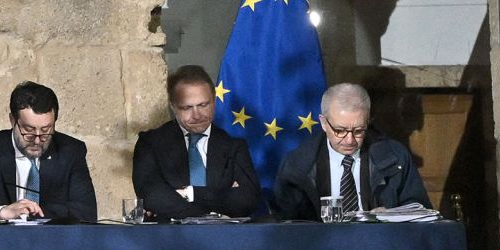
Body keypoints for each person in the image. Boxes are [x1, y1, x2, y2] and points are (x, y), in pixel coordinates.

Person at [0, 81, 96, 224]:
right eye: (28, 130)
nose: (37, 140)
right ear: (12, 120)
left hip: (54, 246)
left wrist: (30, 214)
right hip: (0, 247)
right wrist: (0, 212)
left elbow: (86, 214)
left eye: (45, 130)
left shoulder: (70, 151)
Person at [274, 82, 429, 220]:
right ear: (323, 123)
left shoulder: (394, 157)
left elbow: (420, 211)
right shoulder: (297, 165)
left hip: (380, 245)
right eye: (340, 131)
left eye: (358, 131)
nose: (350, 140)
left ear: (368, 121)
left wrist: (392, 217)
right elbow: (287, 228)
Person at [131, 65, 260, 221]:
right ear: (173, 107)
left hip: (223, 238)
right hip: (167, 238)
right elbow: (153, 196)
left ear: (214, 101)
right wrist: (213, 212)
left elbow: (248, 200)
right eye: (187, 107)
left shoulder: (234, 146)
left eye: (203, 105)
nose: (197, 115)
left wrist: (189, 194)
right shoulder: (150, 143)